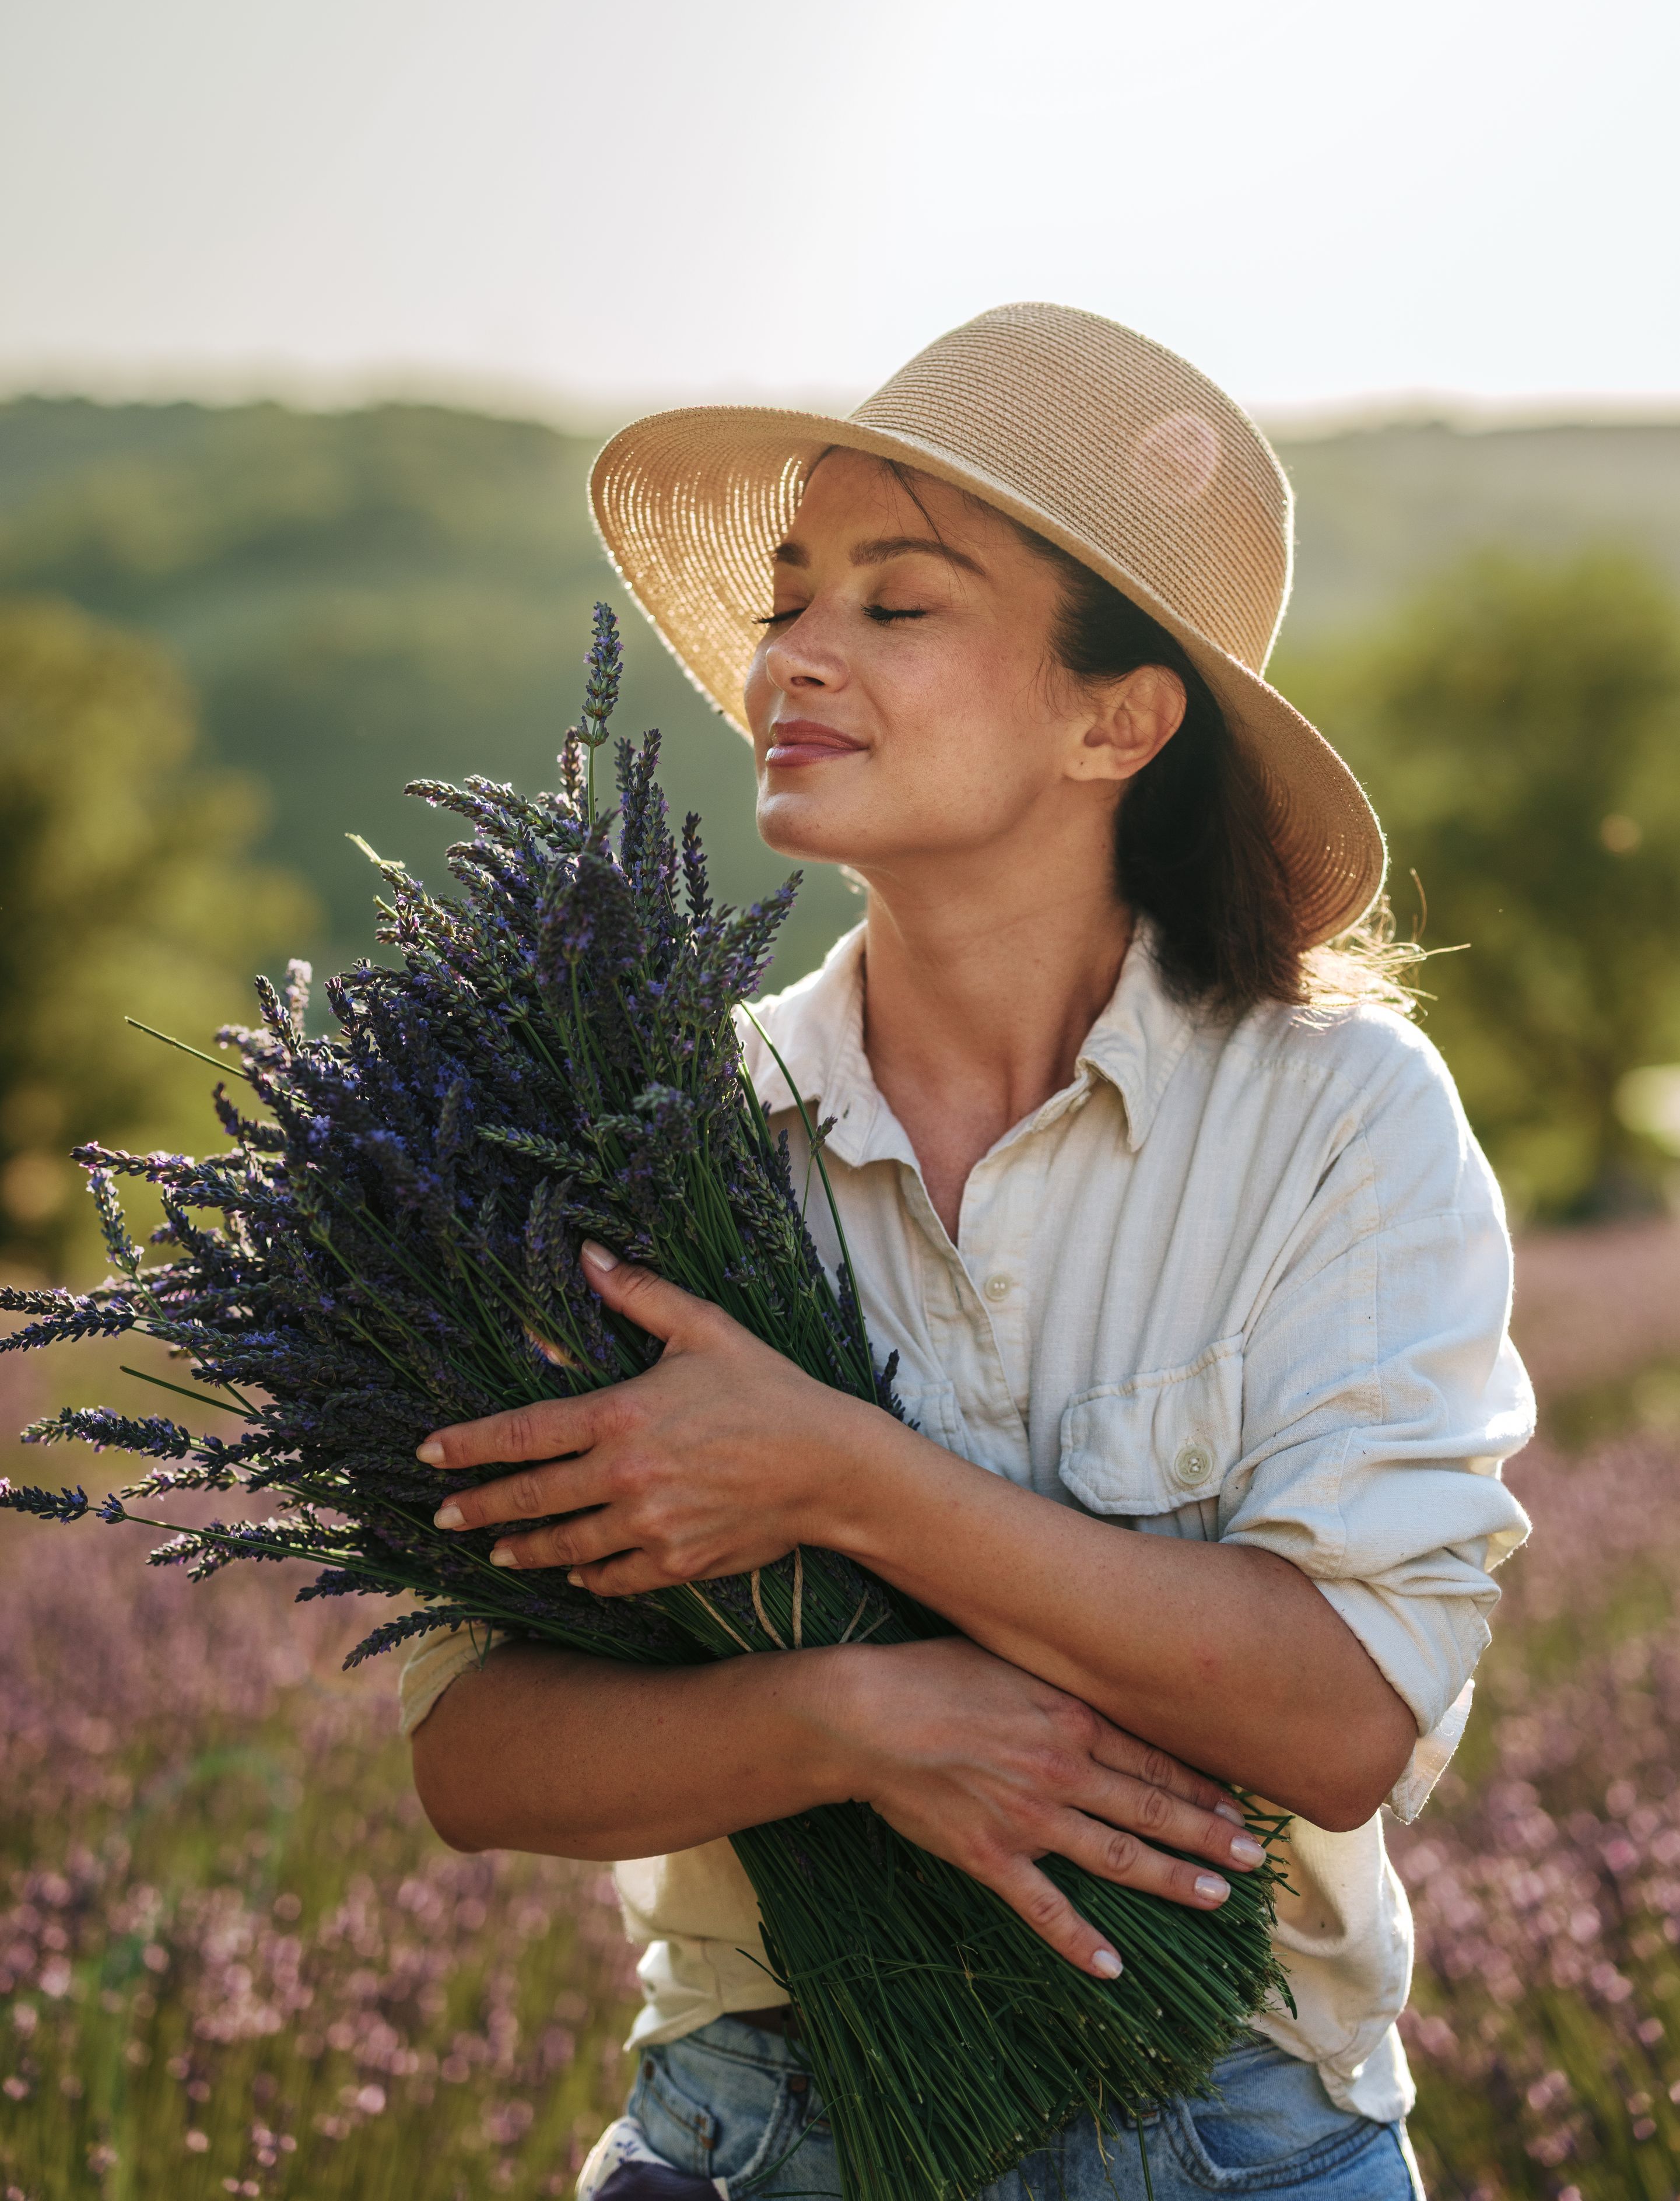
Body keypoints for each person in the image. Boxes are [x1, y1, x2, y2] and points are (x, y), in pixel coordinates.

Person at [401, 304, 1533, 2199]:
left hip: (1236, 2137)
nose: (791, 661)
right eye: (788, 599)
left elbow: (1338, 1719)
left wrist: (841, 1480)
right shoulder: (651, 1139)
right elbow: (476, 1760)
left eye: (894, 605)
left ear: (1118, 717)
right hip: (749, 2136)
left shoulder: (1334, 1114)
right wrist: (848, 1719)